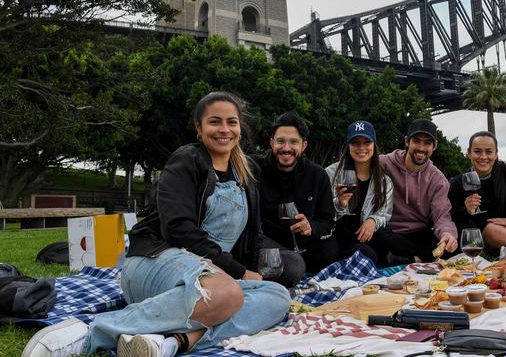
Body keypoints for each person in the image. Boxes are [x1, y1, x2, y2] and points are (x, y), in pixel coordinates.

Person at [22, 92, 290, 357]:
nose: (224, 130)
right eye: (214, 122)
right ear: (199, 128)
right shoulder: (186, 161)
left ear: (240, 127)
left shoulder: (246, 172)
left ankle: (173, 342)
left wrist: (250, 271)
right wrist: (239, 271)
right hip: (157, 262)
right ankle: (90, 331)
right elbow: (179, 229)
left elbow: (253, 233)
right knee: (227, 294)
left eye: (231, 122)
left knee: (277, 297)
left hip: (212, 280)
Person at [255, 111, 337, 274]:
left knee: (331, 251)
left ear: (303, 145)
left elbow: (327, 221)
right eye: (281, 141)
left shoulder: (318, 175)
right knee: (293, 267)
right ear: (272, 143)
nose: (286, 148)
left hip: (303, 244)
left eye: (293, 142)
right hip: (266, 243)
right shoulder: (254, 168)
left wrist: (310, 227)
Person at [376, 119, 458, 265]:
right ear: (407, 141)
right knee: (376, 233)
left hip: (418, 233)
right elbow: (358, 165)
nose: (421, 148)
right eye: (417, 141)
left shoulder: (438, 179)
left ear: (434, 147)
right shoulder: (383, 163)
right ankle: (420, 258)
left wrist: (447, 235)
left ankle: (410, 260)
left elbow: (442, 216)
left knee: (450, 240)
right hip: (388, 231)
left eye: (427, 143)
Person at [325, 121, 393, 264]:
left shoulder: (383, 180)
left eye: (366, 142)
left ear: (374, 145)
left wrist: (373, 220)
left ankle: (416, 258)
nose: (361, 148)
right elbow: (322, 213)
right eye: (355, 143)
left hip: (365, 236)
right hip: (338, 236)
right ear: (348, 146)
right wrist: (340, 203)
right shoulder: (331, 174)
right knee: (368, 255)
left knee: (386, 237)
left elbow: (385, 214)